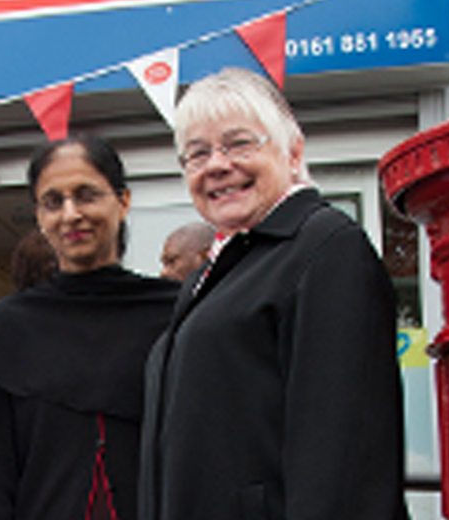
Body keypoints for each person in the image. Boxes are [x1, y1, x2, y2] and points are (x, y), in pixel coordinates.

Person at [138, 67, 409, 520]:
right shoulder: (215, 272)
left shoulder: (326, 246)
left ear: (293, 152)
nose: (218, 165)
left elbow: (343, 462)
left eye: (239, 143)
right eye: (197, 153)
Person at [0, 134, 180, 520]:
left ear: (123, 201)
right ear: (39, 216)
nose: (71, 214)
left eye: (86, 195)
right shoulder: (11, 328)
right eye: (53, 202)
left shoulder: (173, 315)